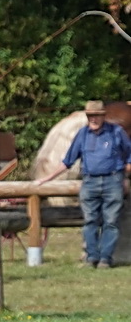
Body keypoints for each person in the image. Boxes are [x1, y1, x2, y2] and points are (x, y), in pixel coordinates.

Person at [39, 100, 131, 269]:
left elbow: (129, 153)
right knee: (90, 221)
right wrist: (47, 179)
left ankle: (105, 258)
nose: (93, 119)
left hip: (112, 180)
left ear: (103, 116)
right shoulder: (82, 134)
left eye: (97, 116)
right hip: (90, 182)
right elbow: (68, 161)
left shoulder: (117, 132)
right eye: (90, 116)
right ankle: (91, 257)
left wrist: (125, 174)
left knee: (111, 221)